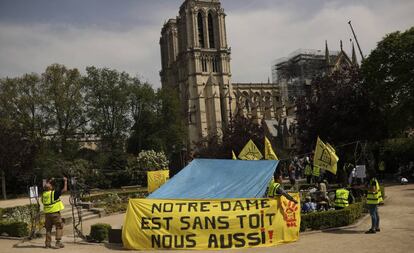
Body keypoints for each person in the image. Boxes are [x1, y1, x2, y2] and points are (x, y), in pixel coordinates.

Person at [42, 177, 67, 248]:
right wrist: (65, 182)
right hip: (55, 214)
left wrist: (50, 180)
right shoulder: (53, 194)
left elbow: (46, 187)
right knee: (59, 227)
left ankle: (47, 244)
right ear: (51, 187)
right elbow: (64, 190)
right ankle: (58, 243)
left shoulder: (43, 195)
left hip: (47, 214)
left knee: (48, 229)